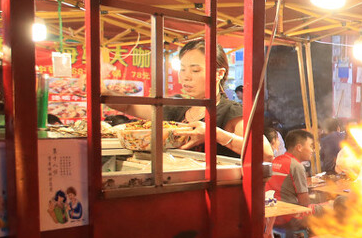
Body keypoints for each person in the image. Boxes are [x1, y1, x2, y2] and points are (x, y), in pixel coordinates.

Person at [107, 38, 272, 160]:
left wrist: (214, 134)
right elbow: (128, 106)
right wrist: (101, 89)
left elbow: (265, 153)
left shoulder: (230, 111)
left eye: (195, 70)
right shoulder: (177, 108)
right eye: (183, 69)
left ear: (219, 74)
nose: (186, 77)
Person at [268, 129, 315, 207]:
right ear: (299, 147)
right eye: (310, 146)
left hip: (276, 209)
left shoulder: (276, 160)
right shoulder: (296, 166)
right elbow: (305, 202)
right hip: (291, 214)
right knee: (330, 205)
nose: (312, 150)